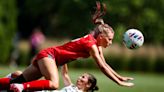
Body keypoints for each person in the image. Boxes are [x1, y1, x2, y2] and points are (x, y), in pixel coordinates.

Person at [0, 1, 134, 92]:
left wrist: (120, 77)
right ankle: (21, 88)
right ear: (101, 37)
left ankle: (14, 84)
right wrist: (118, 82)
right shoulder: (91, 45)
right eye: (109, 40)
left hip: (49, 57)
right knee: (53, 84)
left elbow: (105, 63)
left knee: (17, 80)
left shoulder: (95, 43)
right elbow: (102, 67)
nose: (110, 43)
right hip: (49, 57)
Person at [5, 64, 98, 92]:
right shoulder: (72, 87)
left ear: (88, 84)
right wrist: (64, 58)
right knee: (17, 74)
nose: (79, 77)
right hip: (44, 91)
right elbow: (65, 74)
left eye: (83, 77)